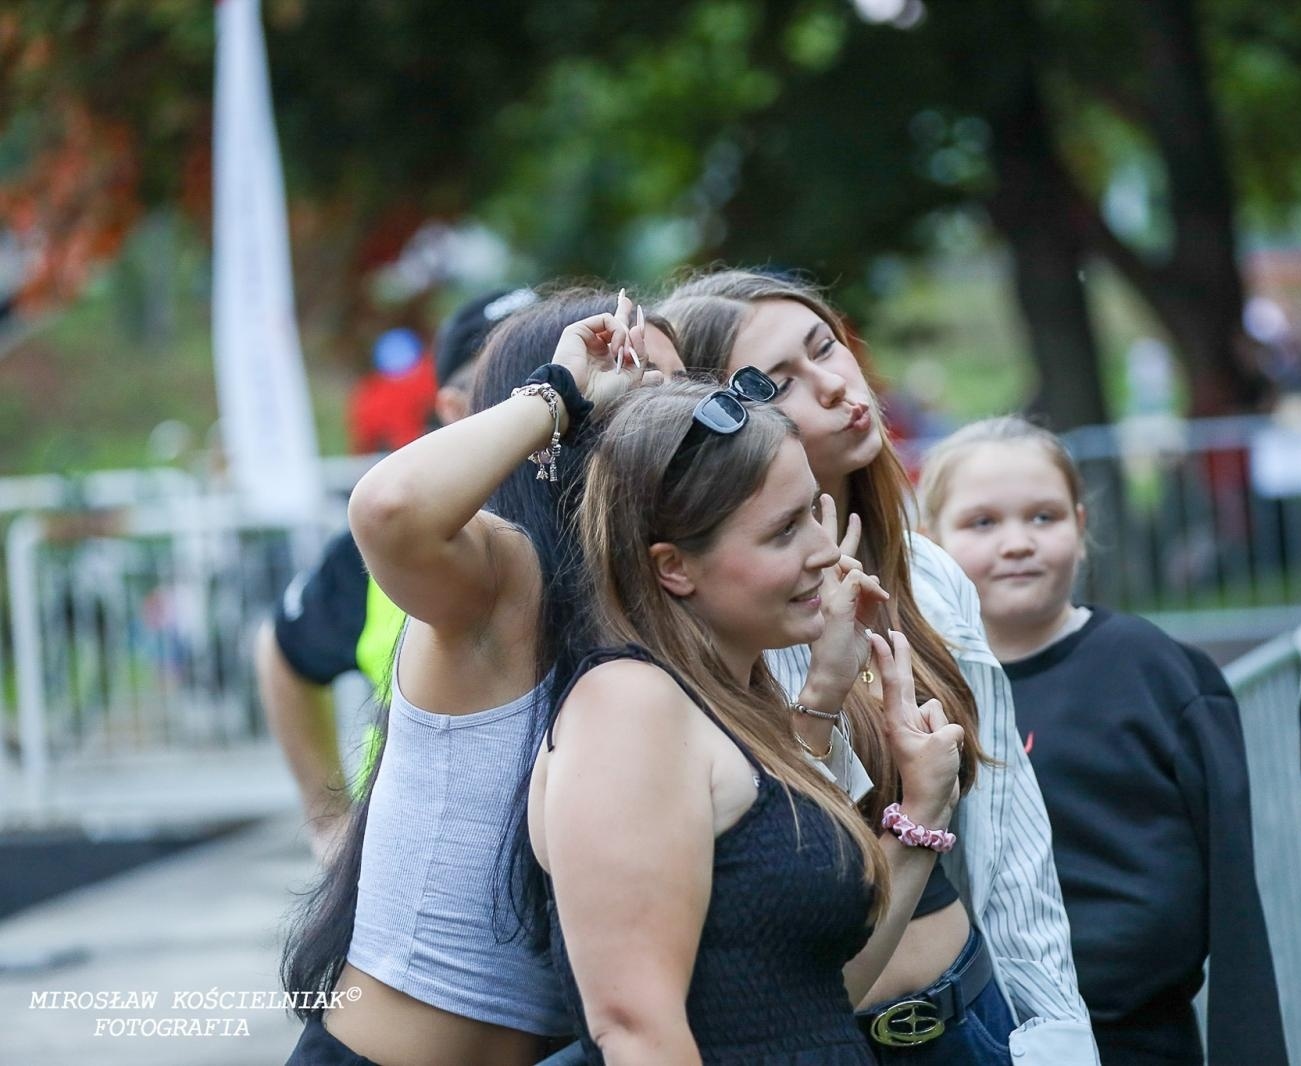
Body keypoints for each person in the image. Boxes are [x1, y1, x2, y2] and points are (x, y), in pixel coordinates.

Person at [662, 270, 1099, 1064]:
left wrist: (1055, 1032)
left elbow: (1008, 834)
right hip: (822, 1040)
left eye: (826, 346)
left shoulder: (929, 574)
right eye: (778, 382)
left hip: (973, 1020)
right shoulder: (720, 615)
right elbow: (774, 863)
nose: (836, 385)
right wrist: (825, 694)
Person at [281, 288, 682, 1066]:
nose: (669, 402)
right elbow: (388, 507)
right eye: (637, 377)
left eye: (684, 381)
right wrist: (559, 392)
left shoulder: (663, 603)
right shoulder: (504, 580)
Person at [531, 378, 966, 1063]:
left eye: (813, 513)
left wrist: (921, 811)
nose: (825, 551)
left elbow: (815, 994)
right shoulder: (629, 707)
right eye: (784, 530)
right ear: (674, 568)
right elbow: (635, 1027)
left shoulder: (732, 698)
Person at [920, 416, 1287, 1066]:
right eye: (982, 523)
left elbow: (1234, 899)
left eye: (1044, 517)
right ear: (930, 544)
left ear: (1081, 527)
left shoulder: (1156, 671)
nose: (1017, 543)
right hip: (981, 1038)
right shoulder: (918, 693)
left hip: (1144, 1042)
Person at [256, 286, 538, 864]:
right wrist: (329, 822)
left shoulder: (599, 512)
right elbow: (281, 650)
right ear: (453, 407)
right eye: (512, 382)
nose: (540, 397)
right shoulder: (390, 538)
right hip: (407, 860)